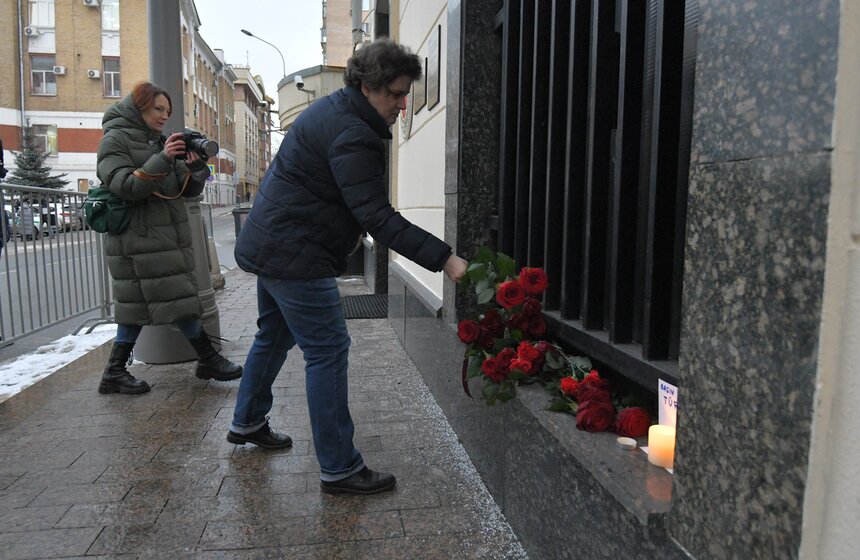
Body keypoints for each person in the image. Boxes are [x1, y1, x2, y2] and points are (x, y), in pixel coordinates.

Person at [229, 38, 468, 495]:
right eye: (395, 94)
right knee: (328, 349)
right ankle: (339, 467)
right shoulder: (353, 132)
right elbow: (376, 216)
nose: (402, 104)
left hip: (273, 243)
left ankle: (247, 420)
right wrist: (446, 259)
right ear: (367, 86)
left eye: (405, 94)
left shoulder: (333, 109)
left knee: (273, 334)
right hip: (297, 253)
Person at [95, 81, 242, 395]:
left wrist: (196, 168)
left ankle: (115, 372)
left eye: (167, 110)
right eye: (157, 109)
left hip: (161, 236)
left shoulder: (158, 141)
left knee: (146, 304)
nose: (164, 115)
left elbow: (184, 190)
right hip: (137, 238)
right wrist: (163, 157)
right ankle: (208, 358)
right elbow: (125, 185)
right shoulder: (114, 139)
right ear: (139, 108)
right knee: (171, 299)